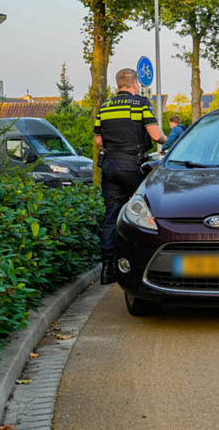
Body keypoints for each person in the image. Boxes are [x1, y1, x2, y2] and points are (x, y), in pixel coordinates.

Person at [94, 68, 166, 284]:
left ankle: (107, 269)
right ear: (135, 84)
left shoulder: (105, 107)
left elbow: (98, 141)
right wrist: (164, 139)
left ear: (118, 84)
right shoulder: (141, 104)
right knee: (141, 214)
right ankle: (136, 263)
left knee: (111, 216)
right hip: (132, 166)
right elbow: (155, 134)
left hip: (109, 167)